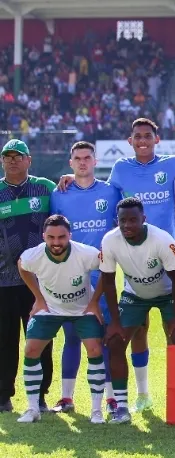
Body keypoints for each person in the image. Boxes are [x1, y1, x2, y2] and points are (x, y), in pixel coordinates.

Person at [56, 118, 175, 411]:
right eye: (137, 136)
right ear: (130, 141)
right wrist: (71, 175)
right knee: (138, 331)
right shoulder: (121, 170)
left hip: (171, 262)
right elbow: (100, 192)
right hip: (133, 266)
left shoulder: (174, 166)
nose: (142, 140)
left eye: (147, 136)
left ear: (157, 139)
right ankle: (142, 394)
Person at [47, 141, 122, 415]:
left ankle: (112, 398)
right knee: (72, 336)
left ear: (94, 160)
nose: (82, 162)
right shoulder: (59, 194)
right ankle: (66, 398)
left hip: (103, 274)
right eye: (77, 158)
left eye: (86, 158)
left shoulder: (111, 191)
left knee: (103, 336)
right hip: (70, 275)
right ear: (71, 163)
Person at [98, 197, 175, 424]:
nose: (127, 225)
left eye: (133, 220)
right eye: (122, 221)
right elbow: (108, 282)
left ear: (143, 219)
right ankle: (122, 407)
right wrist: (115, 322)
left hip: (167, 294)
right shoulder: (110, 240)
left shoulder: (162, 240)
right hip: (135, 295)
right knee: (116, 341)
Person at [15, 216, 105, 423]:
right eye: (51, 237)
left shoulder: (86, 253)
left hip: (83, 308)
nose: (56, 242)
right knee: (30, 350)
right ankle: (32, 409)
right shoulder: (33, 256)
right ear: (44, 237)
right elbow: (22, 266)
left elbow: (107, 270)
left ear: (70, 236)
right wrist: (38, 298)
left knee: (95, 349)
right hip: (50, 308)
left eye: (62, 237)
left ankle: (96, 410)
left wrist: (94, 302)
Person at [0, 139, 56, 414]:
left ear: (28, 160)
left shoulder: (46, 187)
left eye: (17, 156)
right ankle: (3, 396)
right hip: (4, 281)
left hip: (40, 280)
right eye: (7, 156)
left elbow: (61, 216)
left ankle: (41, 395)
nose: (12, 160)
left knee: (41, 338)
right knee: (4, 339)